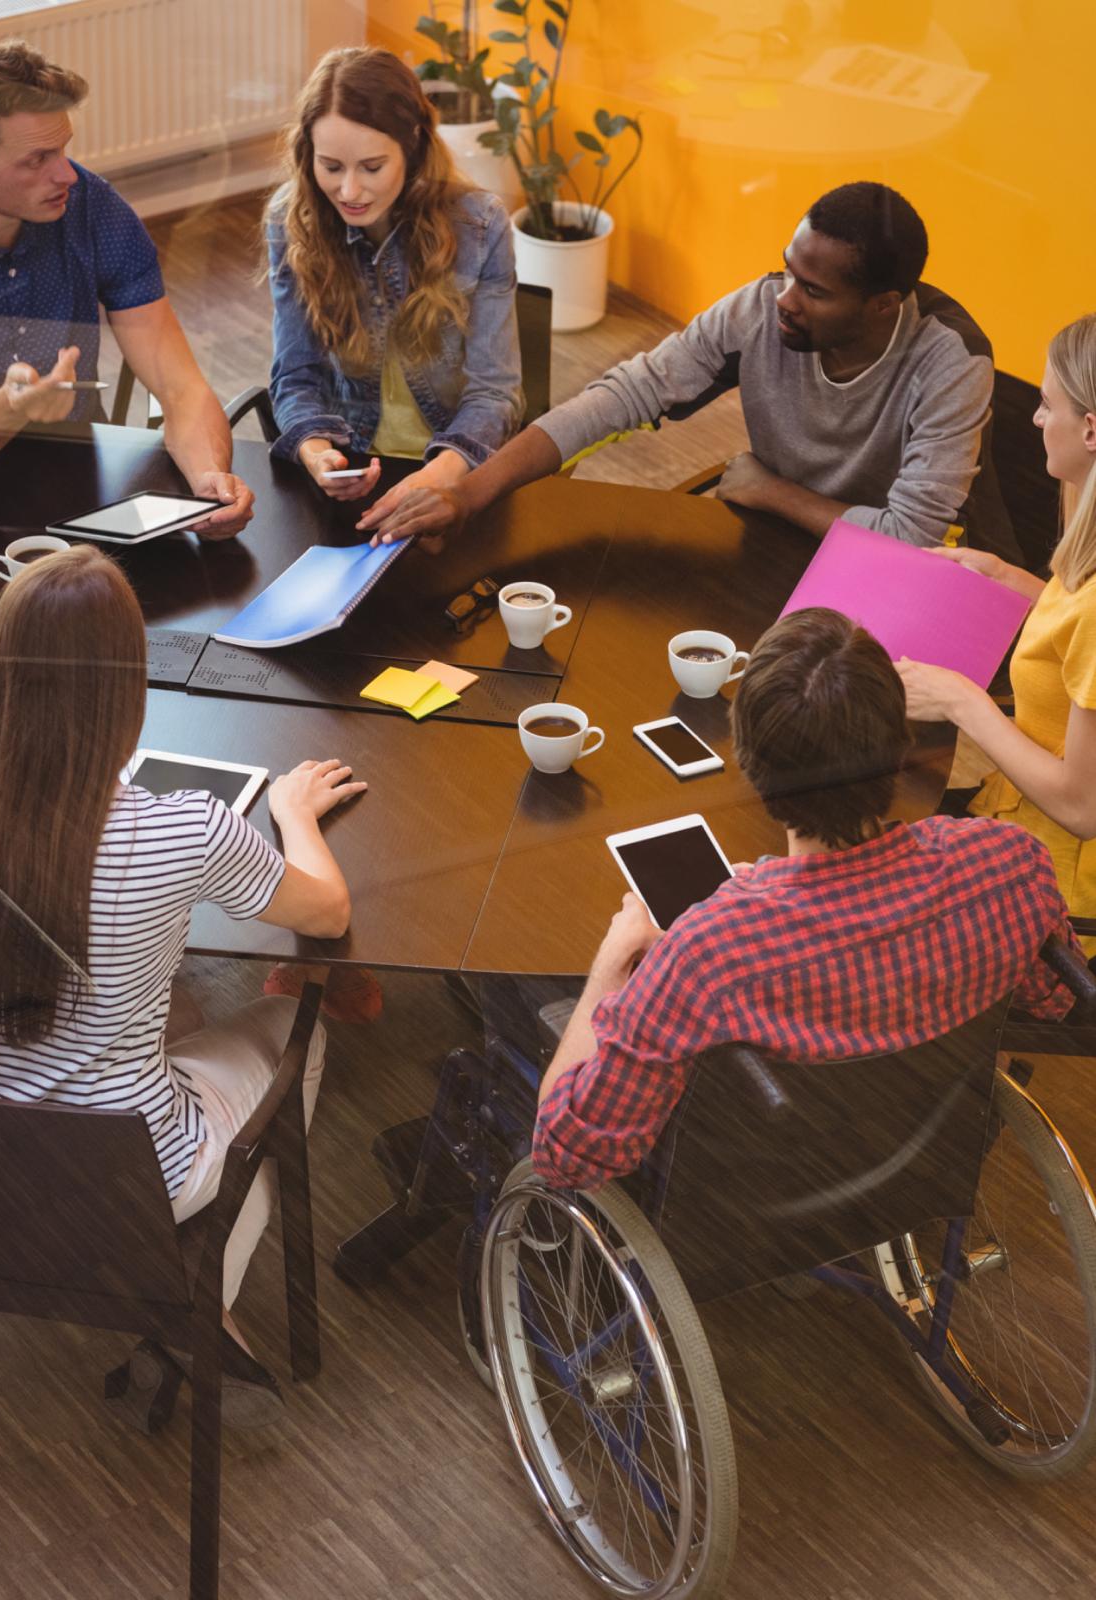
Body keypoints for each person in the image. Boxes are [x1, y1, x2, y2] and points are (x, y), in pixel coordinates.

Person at [0, 546, 363, 1418]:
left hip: (3, 1162)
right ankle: (192, 1305)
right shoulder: (183, 831)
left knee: (182, 1003)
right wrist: (293, 815)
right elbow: (327, 913)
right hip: (132, 1169)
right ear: (130, 686)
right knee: (288, 1025)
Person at [532, 607, 1079, 1191]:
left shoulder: (702, 958)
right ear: (901, 745)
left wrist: (612, 971)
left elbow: (566, 1158)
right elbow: (1051, 1003)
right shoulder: (1012, 865)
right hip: (921, 1165)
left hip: (754, 1204)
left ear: (750, 763)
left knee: (531, 1003)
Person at [363, 180, 1021, 564]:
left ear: (882, 306)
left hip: (919, 576)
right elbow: (625, 394)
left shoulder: (949, 362)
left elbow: (908, 541)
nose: (784, 299)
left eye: (813, 291)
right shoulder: (764, 309)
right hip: (783, 548)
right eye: (787, 271)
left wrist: (773, 492)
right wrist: (470, 494)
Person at [0, 39, 253, 537]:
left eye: (64, 149)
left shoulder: (90, 207)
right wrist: (10, 411)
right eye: (38, 158)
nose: (66, 172)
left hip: (71, 484)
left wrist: (209, 483)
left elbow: (180, 388)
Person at [897, 313, 1096, 947]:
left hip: (1051, 890)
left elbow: (1082, 807)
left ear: (1091, 429)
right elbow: (1078, 646)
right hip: (1015, 823)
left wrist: (962, 701)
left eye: (1046, 404)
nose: (1037, 420)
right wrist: (1004, 576)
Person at [265, 44, 522, 527]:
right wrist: (317, 453)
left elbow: (495, 393)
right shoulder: (289, 218)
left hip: (454, 473)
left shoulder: (480, 226)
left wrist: (438, 478)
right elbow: (295, 375)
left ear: (415, 146)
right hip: (351, 466)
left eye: (372, 167)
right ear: (308, 154)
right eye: (332, 166)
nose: (349, 192)